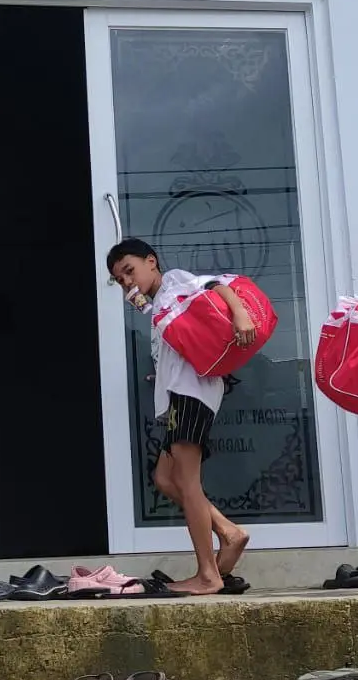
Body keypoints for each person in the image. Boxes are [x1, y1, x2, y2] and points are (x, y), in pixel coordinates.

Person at [107, 238, 252, 595]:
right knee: (164, 477)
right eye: (119, 279)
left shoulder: (173, 280)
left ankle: (208, 574)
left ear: (151, 262)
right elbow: (181, 343)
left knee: (187, 484)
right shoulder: (162, 305)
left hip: (191, 394)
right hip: (180, 394)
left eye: (130, 270)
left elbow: (216, 283)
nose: (127, 281)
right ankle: (229, 532)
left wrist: (241, 314)